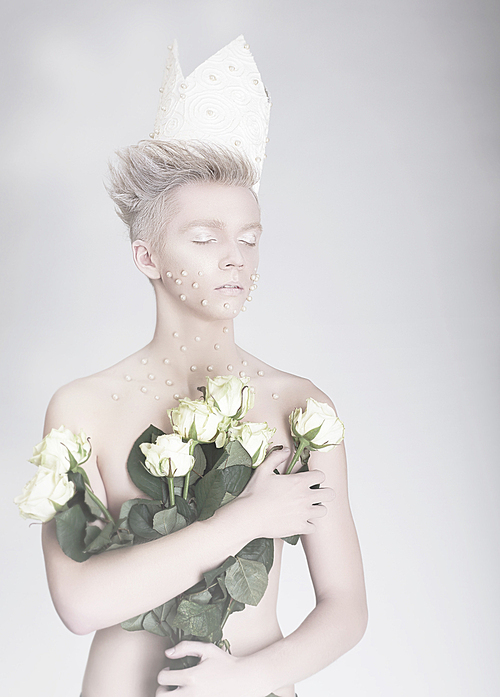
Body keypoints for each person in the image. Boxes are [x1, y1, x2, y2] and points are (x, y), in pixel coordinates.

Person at [40, 38, 368, 697]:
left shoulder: (301, 408)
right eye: (205, 237)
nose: (234, 259)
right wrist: (245, 519)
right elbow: (79, 602)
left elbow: (346, 604)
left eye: (248, 239)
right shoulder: (82, 408)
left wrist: (249, 677)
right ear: (147, 257)